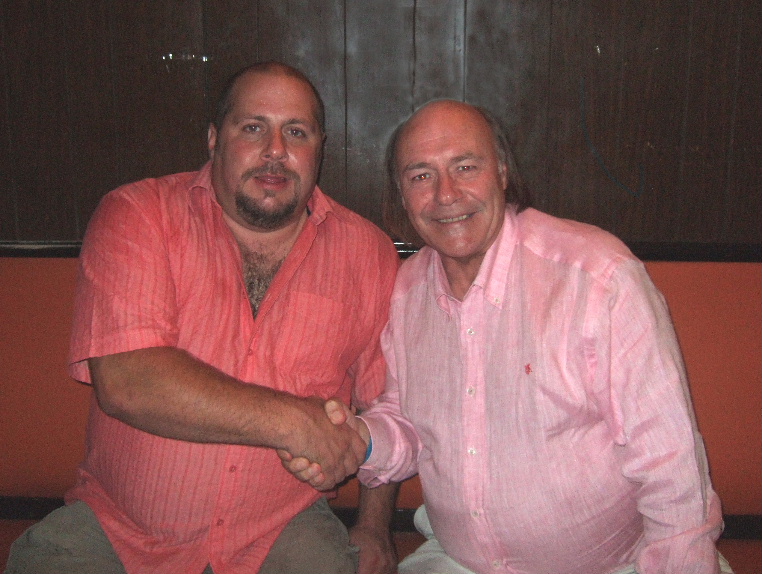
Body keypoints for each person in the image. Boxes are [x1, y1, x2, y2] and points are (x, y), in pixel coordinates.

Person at [281, 99, 734, 574]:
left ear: (500, 172)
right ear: (401, 194)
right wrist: (358, 440)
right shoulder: (407, 290)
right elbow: (409, 423)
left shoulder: (597, 279)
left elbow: (671, 469)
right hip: (460, 562)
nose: (446, 194)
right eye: (421, 176)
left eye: (465, 167)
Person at [4, 62, 400, 574]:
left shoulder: (367, 253)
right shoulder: (138, 214)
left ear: (319, 149)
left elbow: (385, 402)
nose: (275, 149)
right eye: (253, 127)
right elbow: (129, 381)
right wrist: (294, 424)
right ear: (214, 139)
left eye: (296, 132)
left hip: (282, 529)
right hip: (121, 530)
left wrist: (373, 528)